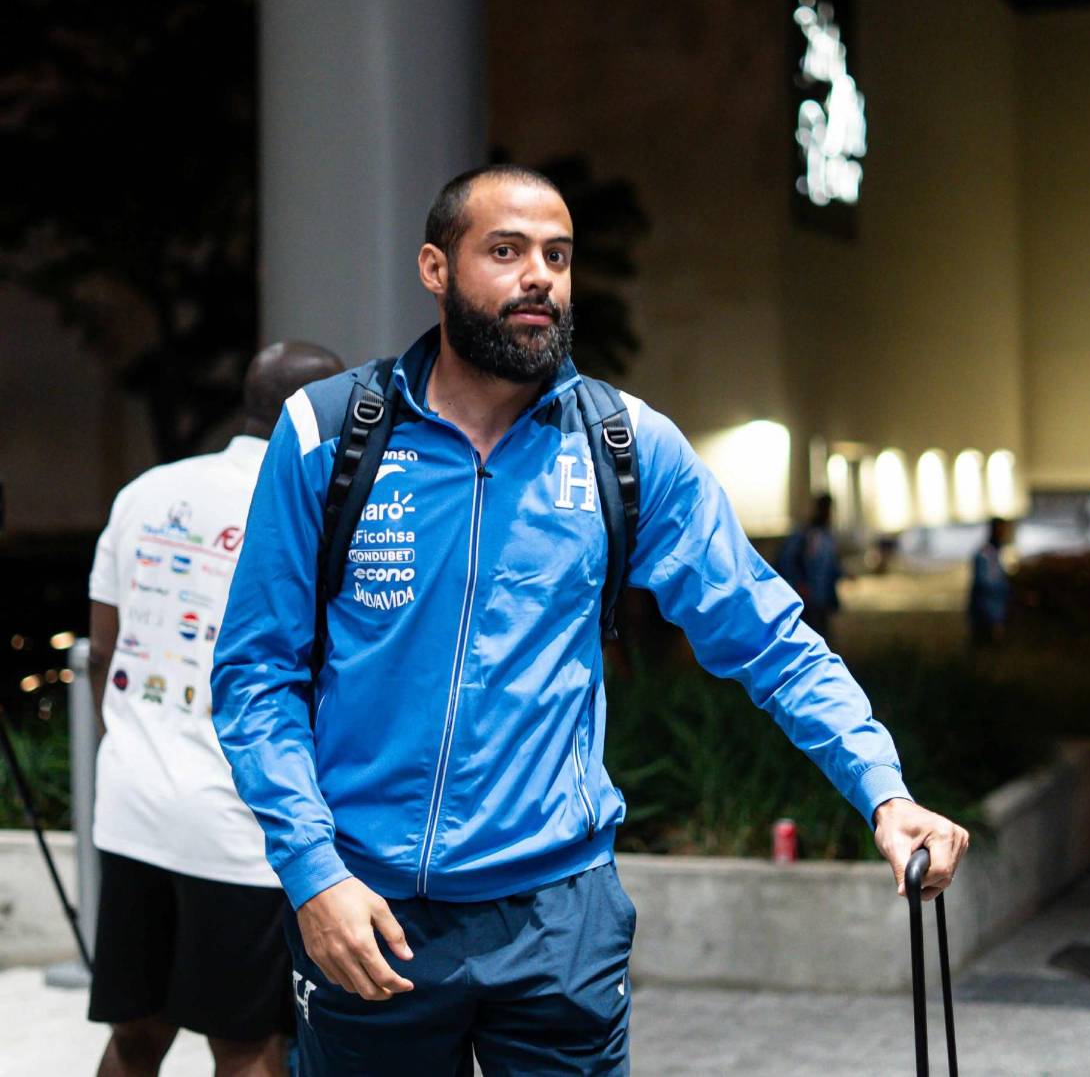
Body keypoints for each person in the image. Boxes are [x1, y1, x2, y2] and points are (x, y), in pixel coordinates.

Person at [211, 166, 969, 1076]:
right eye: (506, 251)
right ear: (434, 268)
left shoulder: (626, 448)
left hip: (558, 921)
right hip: (367, 912)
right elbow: (257, 676)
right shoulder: (328, 435)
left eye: (558, 256)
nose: (540, 276)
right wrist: (312, 873)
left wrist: (883, 789)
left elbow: (769, 639)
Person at [86, 342, 344, 1077]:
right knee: (248, 1046)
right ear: (320, 416)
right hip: (243, 828)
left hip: (130, 807)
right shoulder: (313, 507)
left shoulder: (147, 491)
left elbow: (106, 651)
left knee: (137, 1033)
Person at [776, 493, 842, 639]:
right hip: (809, 598)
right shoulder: (807, 536)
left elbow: (831, 567)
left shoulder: (825, 536)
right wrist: (800, 584)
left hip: (820, 599)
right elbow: (788, 562)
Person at [968, 517, 1012, 645]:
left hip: (991, 613)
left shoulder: (995, 553)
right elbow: (984, 584)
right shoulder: (986, 554)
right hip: (985, 614)